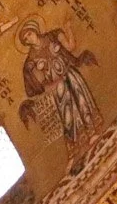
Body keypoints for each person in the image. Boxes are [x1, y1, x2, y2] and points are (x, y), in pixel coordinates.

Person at [17, 22, 100, 154]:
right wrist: (44, 74)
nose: (29, 38)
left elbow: (70, 47)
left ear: (35, 31)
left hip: (70, 73)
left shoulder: (53, 36)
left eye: (29, 34)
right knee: (67, 113)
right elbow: (41, 85)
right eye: (25, 39)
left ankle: (92, 131)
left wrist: (68, 29)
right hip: (58, 86)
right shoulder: (31, 60)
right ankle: (75, 146)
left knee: (81, 100)